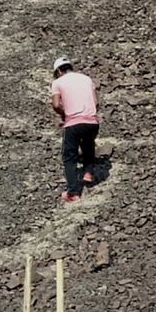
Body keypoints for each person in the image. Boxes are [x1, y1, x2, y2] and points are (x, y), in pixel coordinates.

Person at [50, 57, 99, 204]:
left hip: (73, 123)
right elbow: (96, 102)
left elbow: (56, 104)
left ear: (58, 71)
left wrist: (64, 114)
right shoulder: (86, 79)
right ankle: (88, 172)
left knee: (69, 156)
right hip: (92, 121)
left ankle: (72, 193)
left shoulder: (57, 82)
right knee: (88, 145)